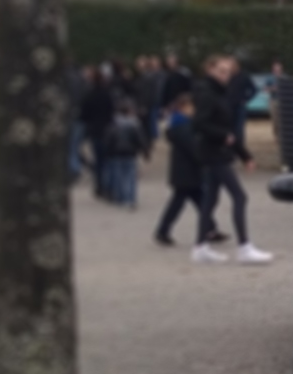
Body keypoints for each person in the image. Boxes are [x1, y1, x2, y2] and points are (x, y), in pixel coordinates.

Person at [189, 54, 272, 264]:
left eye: (228, 72)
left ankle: (201, 246)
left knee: (210, 200)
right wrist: (224, 137)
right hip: (214, 153)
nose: (226, 76)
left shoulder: (219, 93)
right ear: (210, 71)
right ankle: (244, 246)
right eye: (221, 71)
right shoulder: (208, 94)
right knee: (239, 196)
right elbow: (200, 123)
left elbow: (226, 129)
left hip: (216, 151)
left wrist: (244, 154)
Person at [153, 93, 205, 246]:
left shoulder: (179, 125)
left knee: (198, 200)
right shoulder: (183, 126)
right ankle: (163, 230)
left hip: (184, 171)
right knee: (182, 202)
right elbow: (192, 147)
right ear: (184, 108)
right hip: (186, 171)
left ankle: (210, 227)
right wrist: (203, 158)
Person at [79, 67, 116, 200]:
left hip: (95, 129)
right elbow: (112, 111)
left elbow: (83, 115)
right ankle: (109, 186)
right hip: (107, 129)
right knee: (108, 159)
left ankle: (100, 186)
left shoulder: (89, 95)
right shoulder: (107, 94)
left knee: (99, 159)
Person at [99, 100, 145, 208]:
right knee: (130, 177)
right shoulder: (134, 124)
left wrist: (108, 150)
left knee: (118, 176)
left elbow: (108, 139)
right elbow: (139, 139)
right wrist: (143, 150)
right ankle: (130, 198)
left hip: (115, 154)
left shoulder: (113, 124)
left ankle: (120, 197)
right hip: (130, 153)